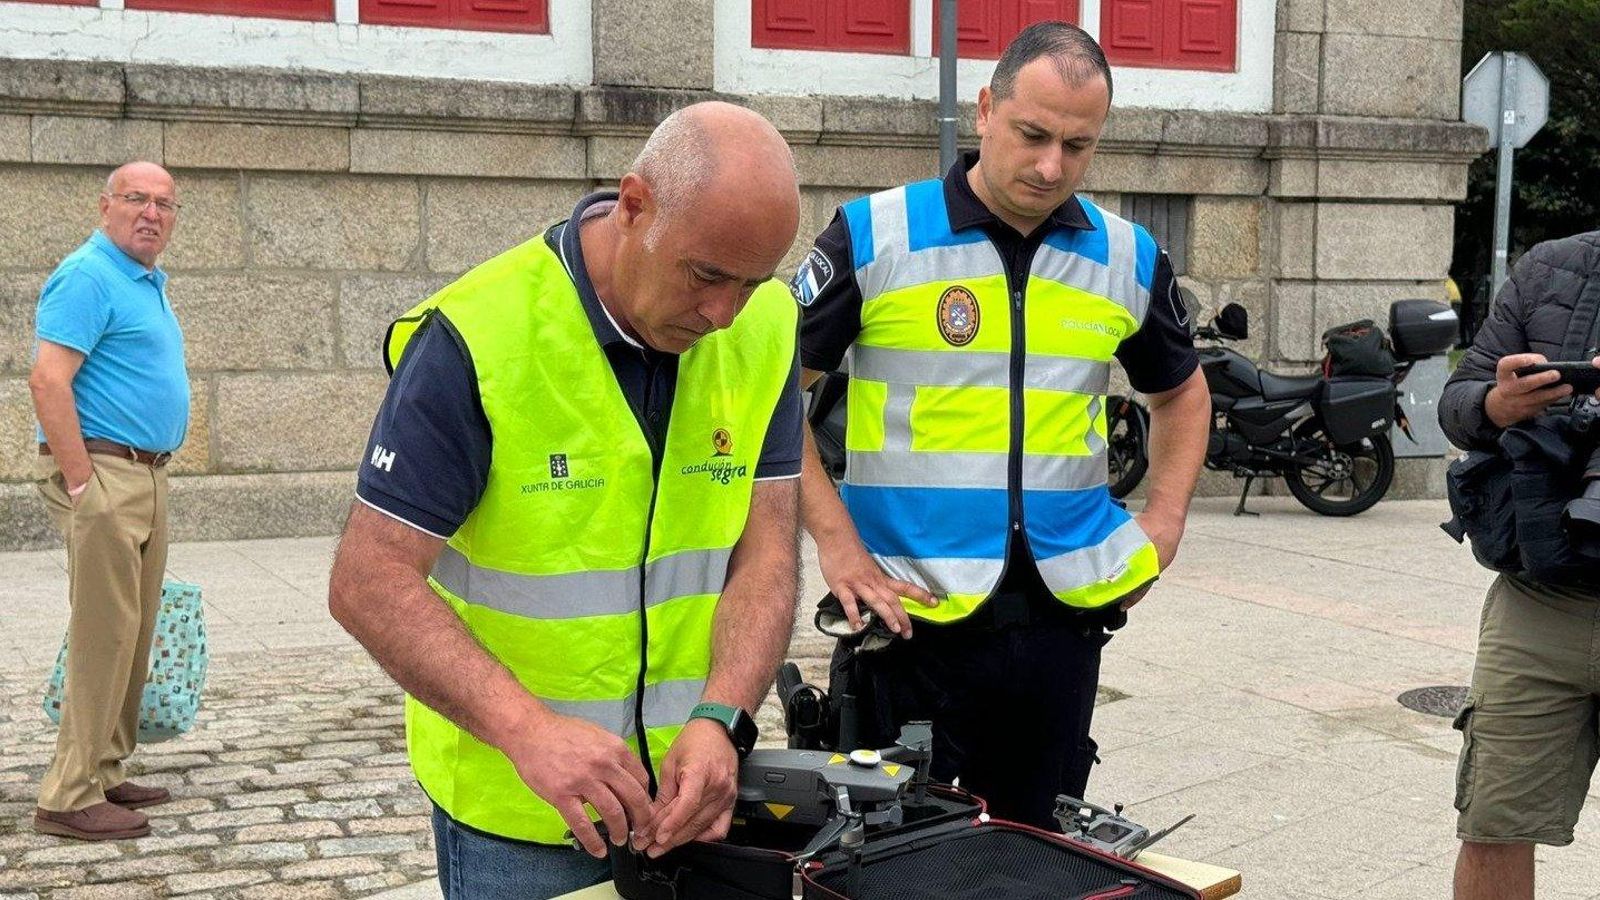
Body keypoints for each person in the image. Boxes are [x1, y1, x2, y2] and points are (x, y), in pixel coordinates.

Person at [328, 102, 804, 900]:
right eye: (706, 274)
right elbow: (368, 580)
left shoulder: (767, 328)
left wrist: (725, 717)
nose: (724, 315)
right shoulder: (478, 338)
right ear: (634, 206)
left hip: (693, 800)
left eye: (752, 283)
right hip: (525, 817)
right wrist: (528, 731)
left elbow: (767, 549)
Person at [791, 22, 1210, 828]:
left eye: (1079, 146)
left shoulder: (1125, 256)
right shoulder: (879, 235)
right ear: (984, 110)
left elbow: (1183, 396)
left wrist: (1165, 519)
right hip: (912, 628)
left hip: (1062, 625)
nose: (1052, 166)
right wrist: (837, 547)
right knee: (900, 868)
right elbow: (771, 398)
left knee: (1035, 856)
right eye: (1034, 135)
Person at [29, 161, 188, 841]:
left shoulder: (145, 282)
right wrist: (81, 485)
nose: (151, 213)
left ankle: (104, 768)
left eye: (164, 204)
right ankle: (67, 795)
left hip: (144, 476)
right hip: (103, 474)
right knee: (105, 632)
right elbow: (47, 380)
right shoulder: (89, 275)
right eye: (136, 200)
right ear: (105, 206)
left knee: (137, 626)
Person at [1439, 231, 1600, 900]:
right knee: (1494, 823)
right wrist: (1495, 405)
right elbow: (1458, 402)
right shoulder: (1553, 267)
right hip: (1539, 596)